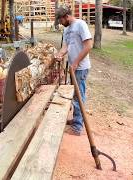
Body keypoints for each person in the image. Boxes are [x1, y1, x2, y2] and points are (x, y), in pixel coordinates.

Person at [55, 5, 93, 136]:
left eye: (60, 20)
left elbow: (89, 45)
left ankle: (77, 127)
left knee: (78, 95)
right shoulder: (67, 29)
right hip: (73, 67)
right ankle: (77, 119)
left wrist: (76, 62)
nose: (60, 23)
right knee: (75, 94)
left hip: (80, 67)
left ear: (66, 16)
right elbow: (66, 45)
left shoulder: (80, 25)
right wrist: (60, 54)